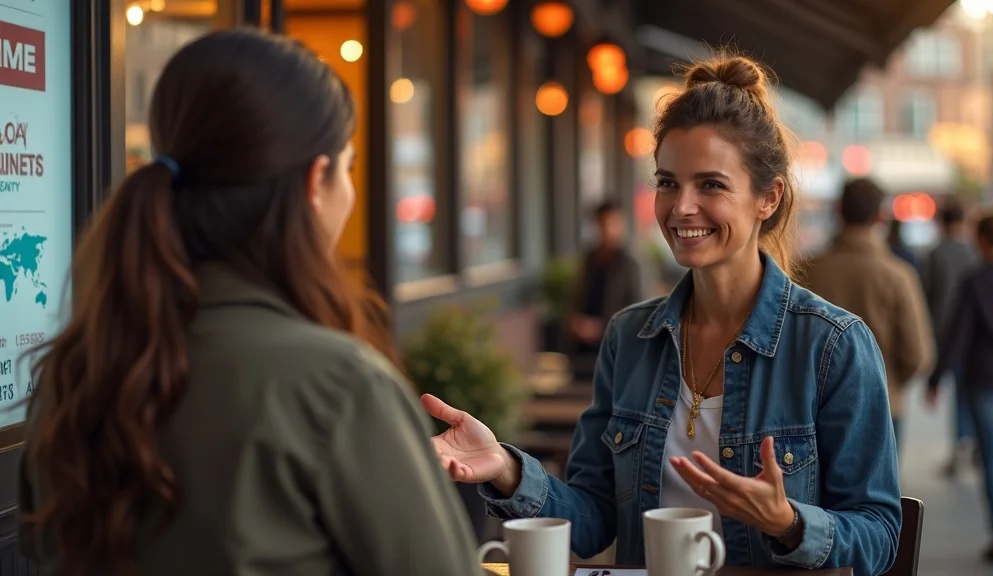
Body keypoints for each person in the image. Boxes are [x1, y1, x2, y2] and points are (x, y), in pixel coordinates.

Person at [17, 30, 481, 576]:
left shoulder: (71, 378)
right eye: (348, 166)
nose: (350, 192)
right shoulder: (339, 386)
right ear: (316, 181)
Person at [424, 55, 901, 575]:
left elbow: (879, 535)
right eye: (668, 182)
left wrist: (788, 522)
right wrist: (506, 469)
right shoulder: (630, 336)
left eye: (711, 185)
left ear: (768, 197)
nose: (681, 208)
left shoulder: (832, 345)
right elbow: (593, 518)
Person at [802, 178, 934, 451]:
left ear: (838, 211)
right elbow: (918, 353)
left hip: (814, 406)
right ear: (880, 216)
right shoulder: (898, 276)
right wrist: (891, 382)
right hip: (883, 404)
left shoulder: (806, 271)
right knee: (879, 492)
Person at [927, 212, 993, 565]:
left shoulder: (975, 280)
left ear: (981, 240)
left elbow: (958, 334)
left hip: (984, 380)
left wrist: (937, 377)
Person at [921, 199, 978, 476]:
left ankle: (960, 446)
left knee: (956, 391)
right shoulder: (974, 250)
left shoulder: (935, 254)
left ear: (942, 223)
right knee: (972, 390)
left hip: (946, 331)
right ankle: (976, 443)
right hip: (977, 333)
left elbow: (927, 294)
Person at [566, 200, 641, 379]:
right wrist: (574, 322)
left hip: (616, 350)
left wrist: (601, 328)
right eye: (602, 223)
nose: (607, 229)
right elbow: (575, 298)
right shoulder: (588, 259)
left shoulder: (629, 264)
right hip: (582, 351)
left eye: (612, 223)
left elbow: (639, 310)